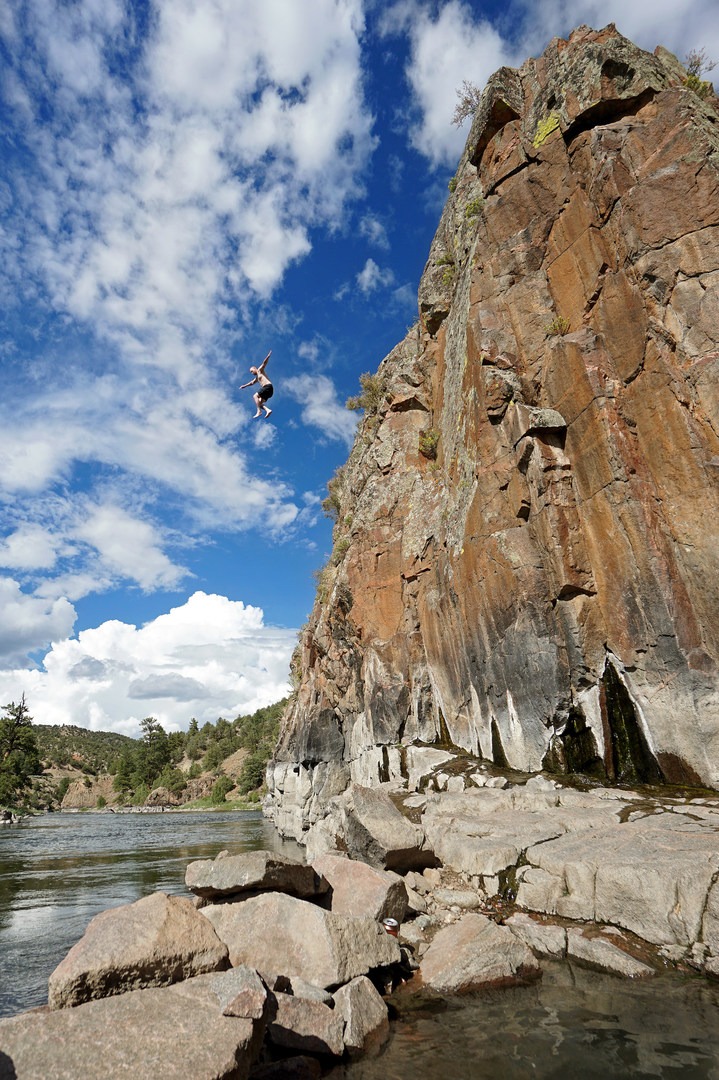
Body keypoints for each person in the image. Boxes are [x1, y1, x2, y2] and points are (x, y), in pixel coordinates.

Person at [240, 350, 273, 418]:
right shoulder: (257, 378)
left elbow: (264, 363)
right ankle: (268, 410)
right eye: (251, 372)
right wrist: (244, 386)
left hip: (268, 387)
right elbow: (251, 383)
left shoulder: (260, 370)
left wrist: (268, 356)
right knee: (259, 403)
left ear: (255, 368)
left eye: (252, 371)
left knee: (255, 396)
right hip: (269, 392)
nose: (252, 373)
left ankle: (259, 411)